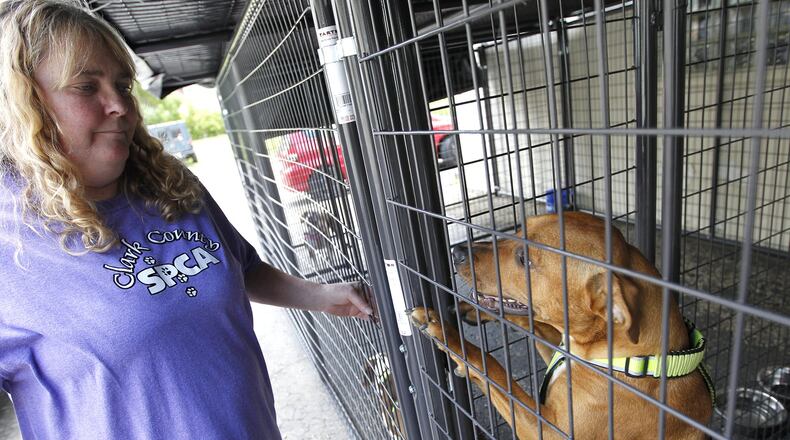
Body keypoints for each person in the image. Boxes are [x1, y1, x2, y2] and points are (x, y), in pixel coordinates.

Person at [0, 1, 373, 438]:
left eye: (122, 84)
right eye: (86, 87)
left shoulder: (168, 183)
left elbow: (240, 267)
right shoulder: (12, 240)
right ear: (22, 102)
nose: (119, 104)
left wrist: (322, 295)